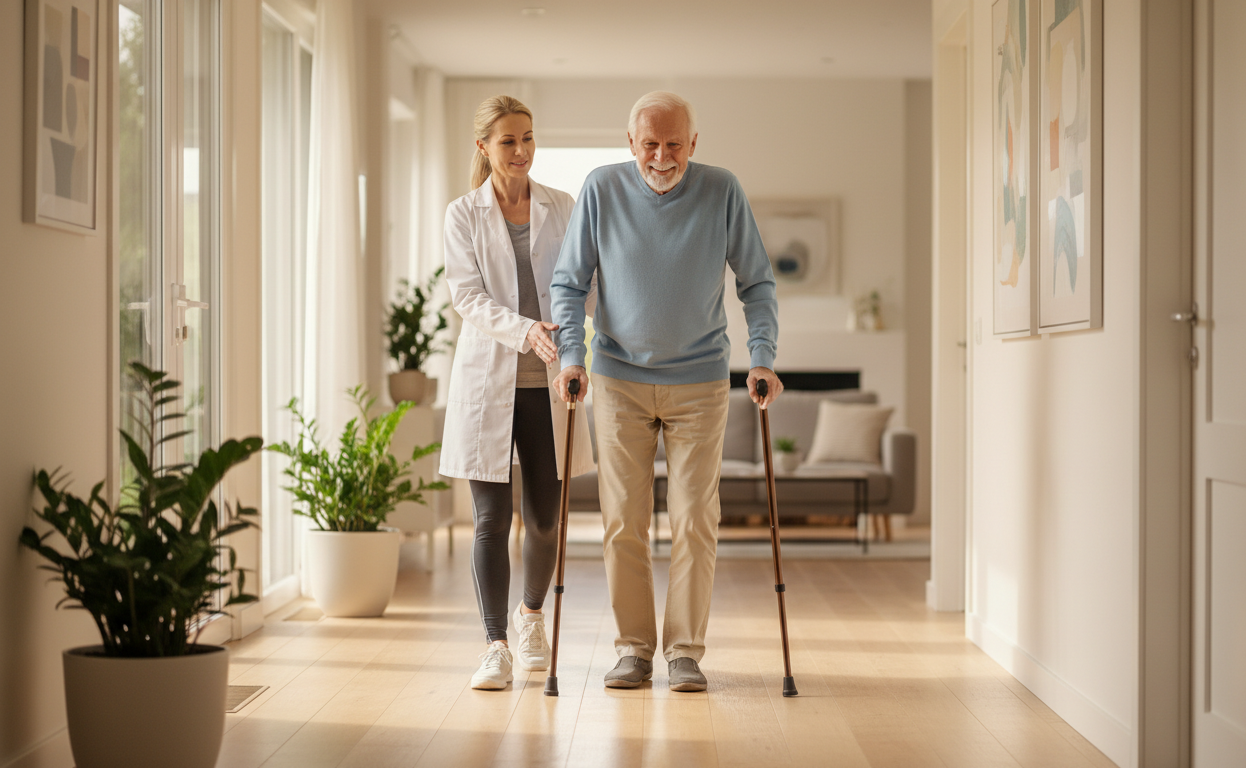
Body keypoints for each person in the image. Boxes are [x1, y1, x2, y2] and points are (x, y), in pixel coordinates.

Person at [550, 91, 782, 693]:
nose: (661, 156)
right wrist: (571, 356)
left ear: (694, 144)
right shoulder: (601, 190)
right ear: (630, 144)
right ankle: (633, 649)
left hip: (701, 382)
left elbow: (757, 282)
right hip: (619, 380)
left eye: (674, 144)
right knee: (622, 521)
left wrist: (762, 358)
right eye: (649, 144)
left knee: (694, 521)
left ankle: (684, 651)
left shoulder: (721, 189)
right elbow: (569, 284)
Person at [440, 95, 595, 691]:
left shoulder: (564, 205)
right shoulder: (463, 213)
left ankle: (530, 619)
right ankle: (495, 644)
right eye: (508, 141)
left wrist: (574, 330)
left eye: (528, 137)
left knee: (545, 520)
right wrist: (525, 329)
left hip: (550, 384)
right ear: (484, 146)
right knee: (489, 518)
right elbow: (468, 297)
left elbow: (584, 282)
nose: (522, 150)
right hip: (489, 380)